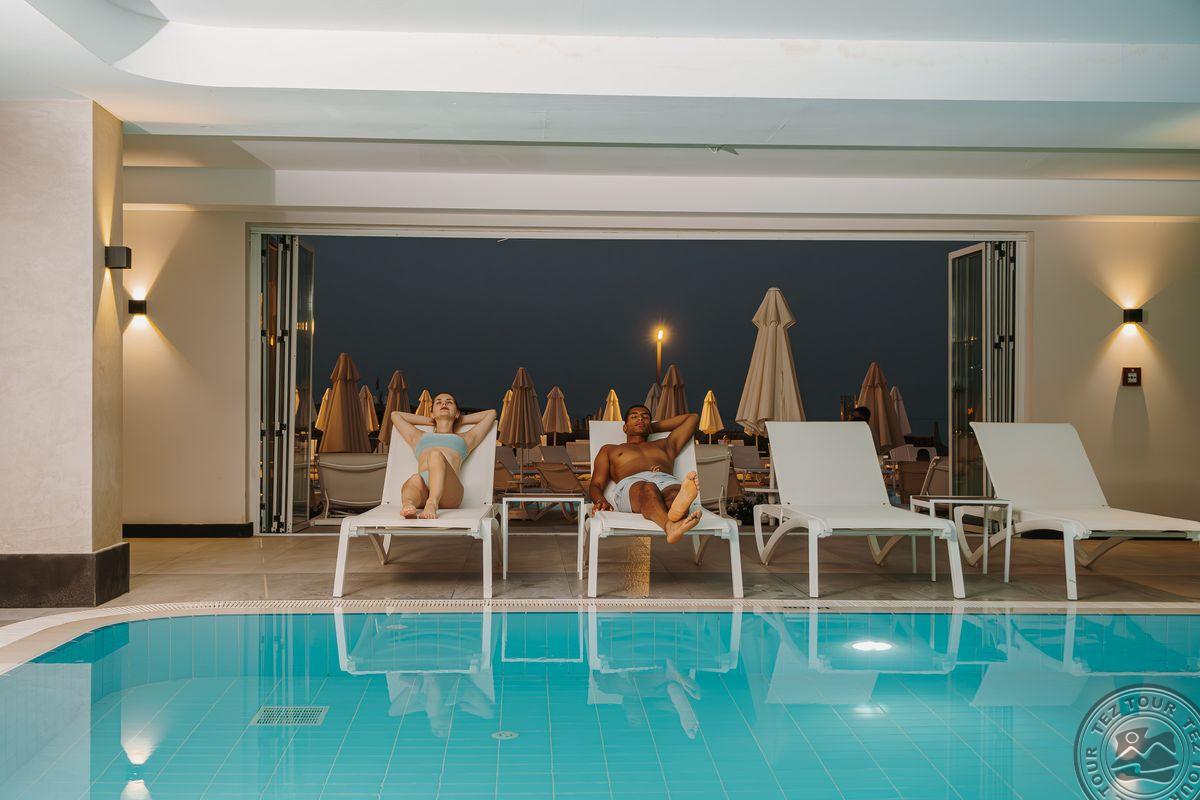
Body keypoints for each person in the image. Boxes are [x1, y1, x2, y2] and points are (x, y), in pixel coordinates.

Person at [589, 405, 702, 543]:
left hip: (665, 479)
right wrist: (601, 501)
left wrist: (650, 427)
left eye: (645, 417)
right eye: (634, 416)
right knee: (649, 488)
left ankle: (676, 513)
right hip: (632, 484)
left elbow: (692, 418)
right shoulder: (609, 449)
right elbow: (596, 484)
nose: (640, 419)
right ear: (625, 427)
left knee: (675, 493)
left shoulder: (665, 445)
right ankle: (670, 524)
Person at [389, 393, 497, 519]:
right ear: (432, 413)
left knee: (435, 454)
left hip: (450, 494)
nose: (444, 404)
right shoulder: (418, 437)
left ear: (457, 413)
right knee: (415, 479)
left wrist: (459, 419)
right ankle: (408, 505)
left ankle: (432, 503)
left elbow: (491, 414)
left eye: (449, 402)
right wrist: (431, 420)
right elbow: (395, 415)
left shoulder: (466, 438)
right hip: (423, 492)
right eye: (438, 402)